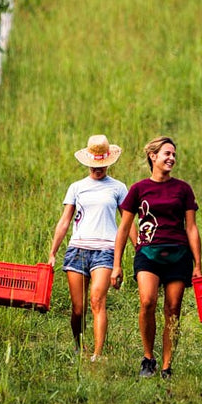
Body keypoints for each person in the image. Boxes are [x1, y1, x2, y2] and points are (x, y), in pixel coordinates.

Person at [111, 136, 202, 379]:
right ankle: (148, 357)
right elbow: (124, 228)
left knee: (173, 309)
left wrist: (198, 265)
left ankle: (166, 365)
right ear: (153, 157)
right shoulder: (138, 189)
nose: (171, 158)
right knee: (147, 301)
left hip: (178, 254)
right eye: (167, 154)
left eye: (173, 154)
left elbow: (191, 228)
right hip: (147, 254)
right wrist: (116, 264)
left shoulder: (183, 189)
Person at [48, 135, 133, 361]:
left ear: (108, 163)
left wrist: (140, 250)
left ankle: (97, 354)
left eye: (101, 165)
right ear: (87, 163)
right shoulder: (77, 187)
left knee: (97, 300)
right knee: (78, 308)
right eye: (94, 165)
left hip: (106, 250)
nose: (98, 169)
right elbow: (65, 220)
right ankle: (79, 345)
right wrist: (53, 252)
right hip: (78, 249)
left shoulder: (118, 188)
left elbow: (127, 222)